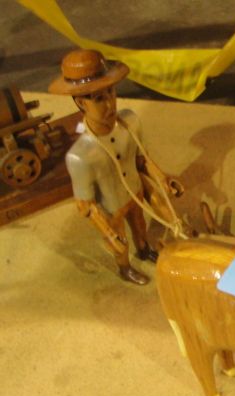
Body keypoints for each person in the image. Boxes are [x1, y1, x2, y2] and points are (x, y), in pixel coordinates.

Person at [49, 49, 183, 285]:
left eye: (111, 92)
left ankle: (144, 249)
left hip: (135, 192)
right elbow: (86, 205)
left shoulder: (130, 122)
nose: (110, 103)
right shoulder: (80, 156)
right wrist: (108, 232)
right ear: (81, 102)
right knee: (120, 241)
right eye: (98, 99)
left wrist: (163, 178)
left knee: (139, 224)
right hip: (111, 206)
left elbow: (142, 159)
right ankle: (125, 268)